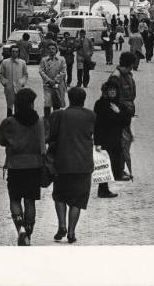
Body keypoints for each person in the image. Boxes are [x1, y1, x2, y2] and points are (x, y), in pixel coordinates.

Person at [0, 88, 45, 246]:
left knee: (15, 199)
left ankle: (21, 230)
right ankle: (29, 232)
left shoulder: (9, 122)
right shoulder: (39, 122)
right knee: (30, 201)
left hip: (15, 166)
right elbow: (42, 143)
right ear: (31, 103)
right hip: (34, 166)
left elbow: (2, 141)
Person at [48, 87, 96, 244]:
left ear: (69, 98)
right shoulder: (90, 115)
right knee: (77, 200)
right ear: (83, 99)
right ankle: (71, 231)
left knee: (60, 195)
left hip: (62, 161)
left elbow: (50, 136)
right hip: (83, 163)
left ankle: (61, 225)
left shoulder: (58, 115)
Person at [94, 80, 132, 198]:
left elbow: (126, 122)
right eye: (110, 90)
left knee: (115, 165)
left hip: (116, 140)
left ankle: (105, 189)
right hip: (104, 139)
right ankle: (103, 190)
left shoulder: (121, 105)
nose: (112, 92)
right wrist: (97, 142)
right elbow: (97, 124)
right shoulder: (100, 104)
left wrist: (118, 112)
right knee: (103, 166)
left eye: (114, 90)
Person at [108, 52, 137, 181]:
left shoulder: (128, 75)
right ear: (131, 64)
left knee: (125, 143)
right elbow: (112, 98)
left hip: (126, 114)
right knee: (120, 144)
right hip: (119, 115)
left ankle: (120, 170)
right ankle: (117, 172)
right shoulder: (116, 77)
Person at [39, 42, 67, 120]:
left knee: (57, 102)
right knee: (47, 102)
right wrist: (48, 80)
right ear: (47, 50)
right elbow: (41, 71)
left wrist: (55, 80)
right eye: (50, 49)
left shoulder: (61, 59)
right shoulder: (44, 60)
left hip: (58, 84)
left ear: (56, 50)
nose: (51, 51)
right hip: (48, 85)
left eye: (53, 49)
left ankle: (56, 120)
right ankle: (47, 120)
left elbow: (63, 71)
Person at [0, 45, 29, 117]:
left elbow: (25, 74)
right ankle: (9, 121)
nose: (14, 53)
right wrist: (5, 83)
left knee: (18, 105)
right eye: (13, 51)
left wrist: (22, 82)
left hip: (19, 87)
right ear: (10, 52)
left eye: (16, 52)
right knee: (9, 105)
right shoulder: (5, 62)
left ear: (18, 53)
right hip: (9, 87)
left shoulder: (22, 63)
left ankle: (17, 121)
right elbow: (1, 74)